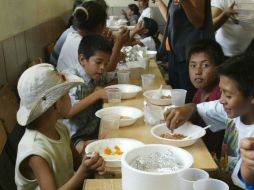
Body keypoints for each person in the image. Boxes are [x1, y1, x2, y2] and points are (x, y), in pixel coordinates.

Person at [164, 53, 254, 188]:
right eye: (221, 91)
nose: (222, 100)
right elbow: (197, 108)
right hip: (222, 179)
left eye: (228, 95)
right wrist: (186, 109)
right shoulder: (232, 109)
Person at [15, 64, 105, 190]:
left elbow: (77, 163)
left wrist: (89, 162)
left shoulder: (60, 128)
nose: (70, 98)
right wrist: (83, 172)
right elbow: (79, 172)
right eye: (67, 94)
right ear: (56, 105)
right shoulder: (35, 151)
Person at [59, 34, 115, 154]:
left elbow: (113, 78)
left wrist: (103, 88)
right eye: (99, 62)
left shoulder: (95, 73)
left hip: (92, 127)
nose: (102, 68)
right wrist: (97, 95)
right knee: (109, 148)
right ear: (82, 60)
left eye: (106, 63)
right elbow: (67, 112)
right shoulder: (71, 79)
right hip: (74, 136)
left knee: (118, 133)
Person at [154, 0, 214, 103]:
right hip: (176, 55)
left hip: (191, 57)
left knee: (189, 102)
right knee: (176, 100)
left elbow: (198, 21)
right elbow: (171, 20)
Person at [57, 1, 129, 73]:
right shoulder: (78, 42)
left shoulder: (78, 35)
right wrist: (118, 44)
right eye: (105, 23)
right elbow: (106, 71)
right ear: (100, 25)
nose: (106, 27)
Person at [187, 39, 225, 157]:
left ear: (218, 68)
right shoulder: (200, 91)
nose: (197, 72)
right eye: (193, 65)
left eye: (205, 65)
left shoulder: (221, 96)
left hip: (210, 155)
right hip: (196, 147)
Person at [50, 0, 109, 66]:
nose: (106, 26)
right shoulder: (76, 41)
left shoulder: (76, 35)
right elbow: (101, 69)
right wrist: (117, 46)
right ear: (99, 26)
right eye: (105, 23)